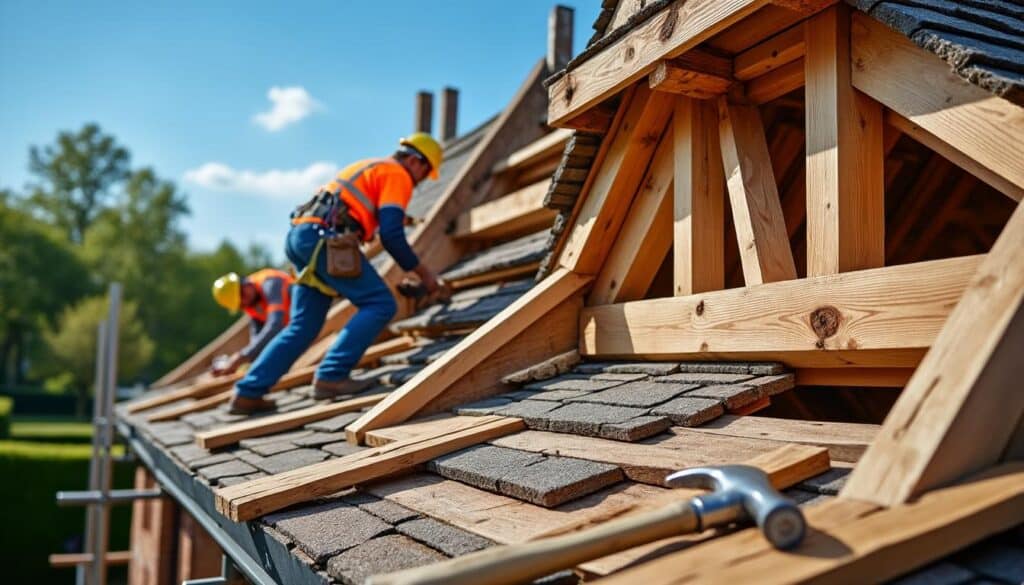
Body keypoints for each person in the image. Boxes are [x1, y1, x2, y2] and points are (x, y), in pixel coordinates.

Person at [227, 132, 447, 414]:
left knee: (303, 326)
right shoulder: (398, 174)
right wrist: (425, 276)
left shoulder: (372, 166)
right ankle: (332, 375)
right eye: (425, 174)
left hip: (301, 237)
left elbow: (357, 207)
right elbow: (392, 235)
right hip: (324, 241)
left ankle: (247, 393)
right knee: (380, 303)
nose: (420, 182)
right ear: (416, 161)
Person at [209, 269, 295, 376]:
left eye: (242, 294)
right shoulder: (251, 303)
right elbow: (257, 341)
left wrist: (243, 355)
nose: (245, 302)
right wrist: (240, 364)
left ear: (244, 283)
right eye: (241, 305)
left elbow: (276, 325)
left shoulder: (271, 283)